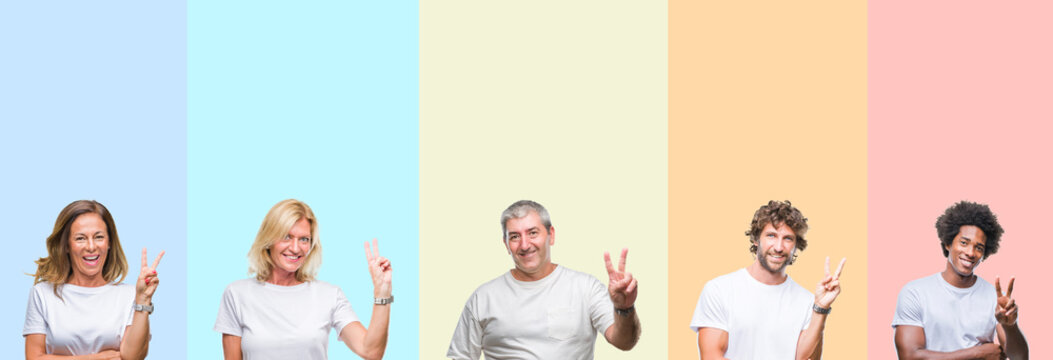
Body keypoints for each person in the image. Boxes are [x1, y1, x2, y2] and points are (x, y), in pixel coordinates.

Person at [447, 200, 641, 360]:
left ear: (551, 235)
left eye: (532, 233)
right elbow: (460, 356)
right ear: (506, 244)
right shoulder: (483, 297)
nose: (524, 245)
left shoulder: (585, 287)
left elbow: (624, 342)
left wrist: (624, 309)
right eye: (514, 236)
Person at [214, 199, 392, 360]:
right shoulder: (237, 294)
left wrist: (382, 293)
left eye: (304, 239)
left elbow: (371, 352)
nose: (295, 248)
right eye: (286, 236)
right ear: (268, 239)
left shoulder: (329, 295)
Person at [691, 200, 846, 360]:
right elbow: (711, 356)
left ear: (796, 245)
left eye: (787, 238)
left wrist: (821, 308)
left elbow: (805, 358)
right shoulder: (719, 290)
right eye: (771, 235)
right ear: (756, 239)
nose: (778, 247)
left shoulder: (807, 301)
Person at [24, 200, 164, 360]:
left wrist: (143, 301)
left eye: (99, 237)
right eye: (80, 238)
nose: (91, 247)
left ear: (109, 242)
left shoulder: (130, 295)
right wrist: (98, 358)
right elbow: (34, 358)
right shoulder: (42, 293)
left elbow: (132, 357)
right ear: (67, 245)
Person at [892, 201, 1029, 360]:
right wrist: (978, 353)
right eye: (964, 243)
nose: (971, 252)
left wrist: (1010, 326)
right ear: (948, 243)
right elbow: (909, 356)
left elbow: (1020, 358)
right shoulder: (915, 293)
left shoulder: (995, 298)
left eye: (979, 248)